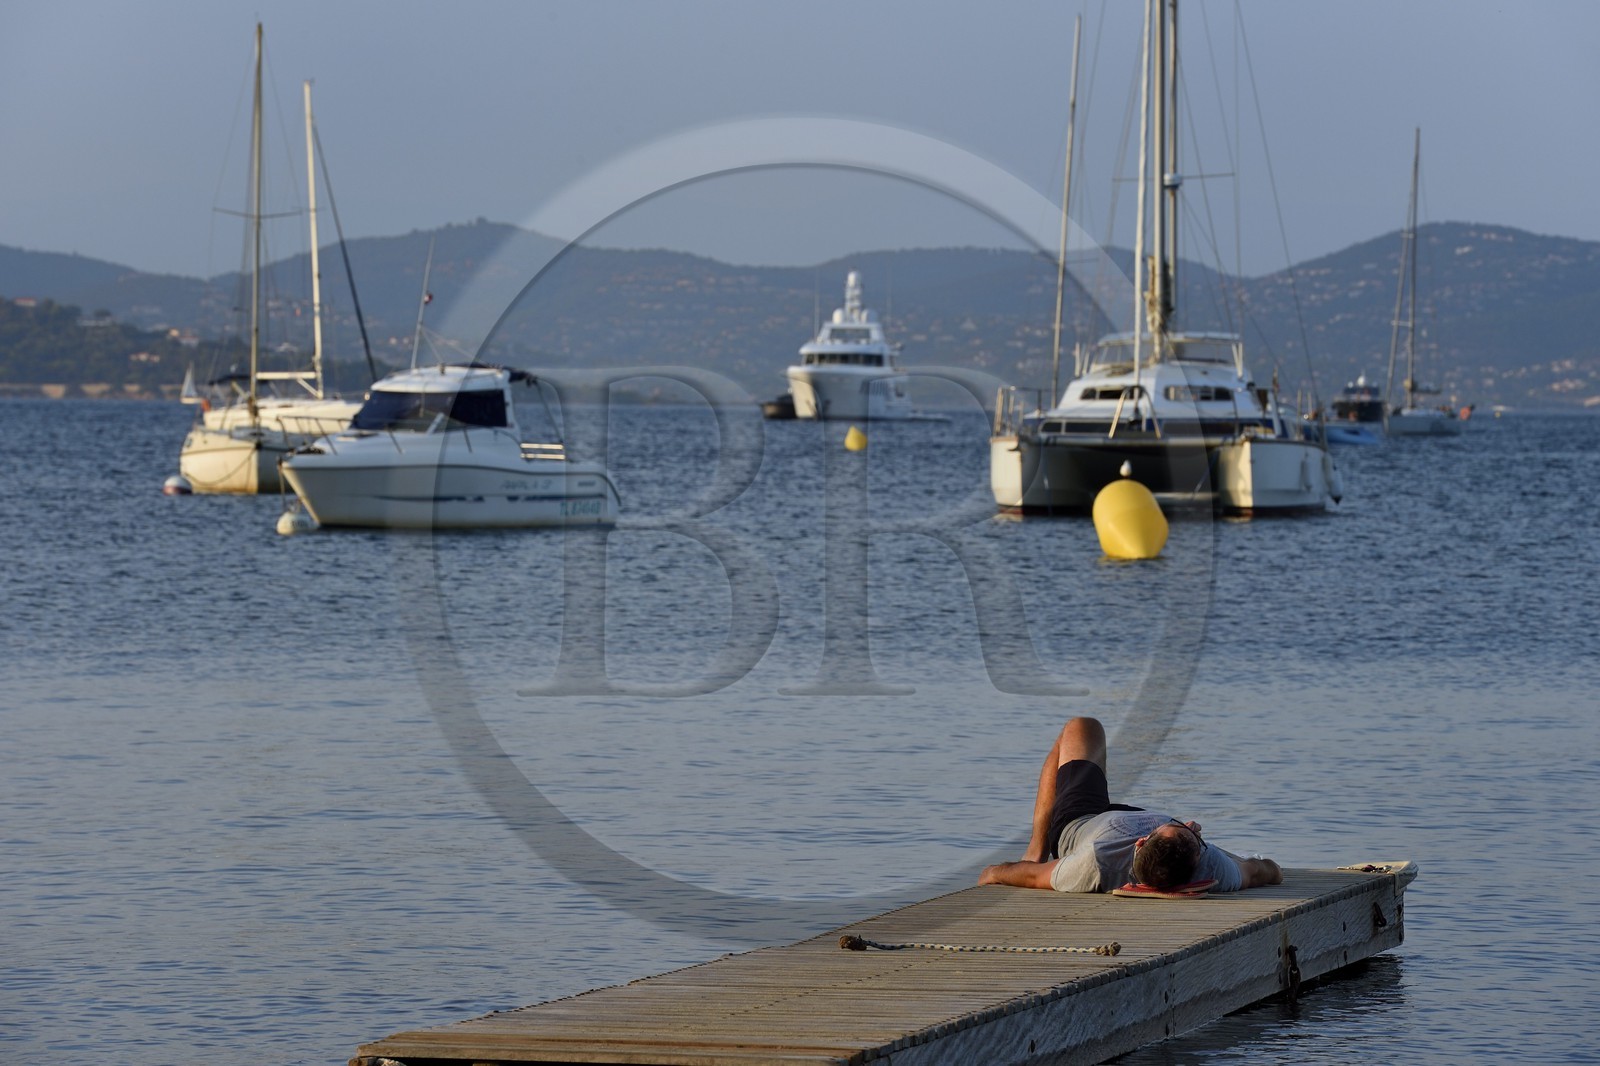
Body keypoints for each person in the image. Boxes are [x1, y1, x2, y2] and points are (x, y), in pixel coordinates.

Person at [978, 717, 1282, 893]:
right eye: (1192, 835)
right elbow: (1260, 871)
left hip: (1081, 820)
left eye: (1186, 831)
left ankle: (1036, 844)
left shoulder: (1095, 864)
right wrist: (1274, 870)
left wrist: (994, 872)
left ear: (1141, 841)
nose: (1193, 824)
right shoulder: (1210, 865)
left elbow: (1032, 876)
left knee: (1080, 727)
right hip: (1125, 818)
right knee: (1242, 861)